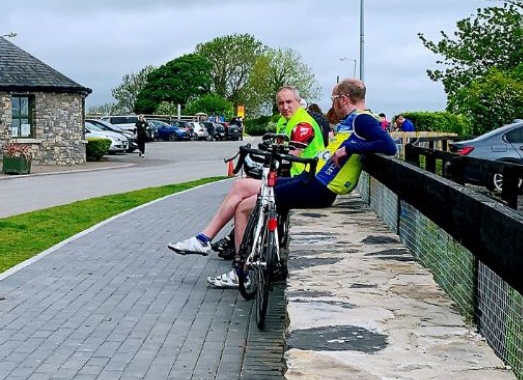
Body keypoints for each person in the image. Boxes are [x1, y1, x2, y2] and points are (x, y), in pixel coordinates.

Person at [169, 78, 397, 288]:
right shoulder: (352, 121)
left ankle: (240, 272)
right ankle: (205, 239)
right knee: (241, 187)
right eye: (281, 103)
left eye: (334, 99)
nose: (333, 104)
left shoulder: (362, 120)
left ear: (343, 99)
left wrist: (350, 148)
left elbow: (389, 146)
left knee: (243, 207)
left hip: (319, 188)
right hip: (311, 179)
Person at [169, 85, 325, 260]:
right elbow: (278, 152)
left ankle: (225, 255)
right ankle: (225, 253)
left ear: (299, 101)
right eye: (280, 103)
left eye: (289, 102)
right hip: (289, 179)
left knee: (241, 194)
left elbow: (291, 156)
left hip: (303, 181)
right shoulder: (284, 122)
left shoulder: (303, 124)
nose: (285, 107)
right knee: (242, 192)